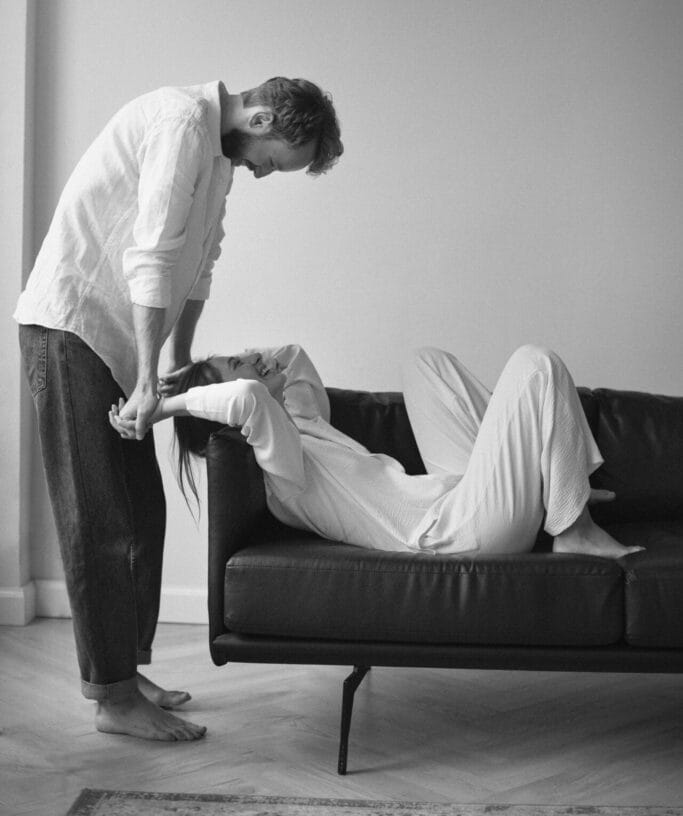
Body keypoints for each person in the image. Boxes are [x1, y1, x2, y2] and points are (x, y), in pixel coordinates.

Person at [14, 77, 343, 742]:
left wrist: (174, 361)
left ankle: (126, 673)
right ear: (257, 116)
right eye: (273, 160)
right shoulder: (180, 122)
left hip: (119, 345)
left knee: (141, 514)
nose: (263, 172)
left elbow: (199, 265)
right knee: (99, 517)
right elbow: (153, 255)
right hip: (73, 329)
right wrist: (143, 378)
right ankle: (111, 699)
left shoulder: (218, 160)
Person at [111, 343, 644, 560]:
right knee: (536, 364)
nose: (253, 356)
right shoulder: (280, 475)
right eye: (239, 361)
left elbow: (294, 357)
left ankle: (552, 481)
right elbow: (249, 399)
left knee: (424, 362)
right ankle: (574, 530)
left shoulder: (299, 422)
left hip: (461, 500)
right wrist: (169, 405)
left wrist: (241, 365)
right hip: (455, 533)